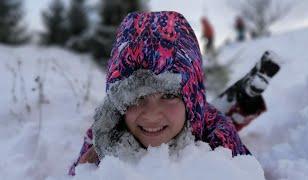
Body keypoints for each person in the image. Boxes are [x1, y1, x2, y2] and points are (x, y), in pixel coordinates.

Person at [68, 11, 280, 176]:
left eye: (168, 95)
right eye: (137, 97)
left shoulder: (219, 136)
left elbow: (249, 172)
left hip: (204, 120)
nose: (151, 115)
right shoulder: (105, 134)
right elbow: (75, 174)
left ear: (190, 96)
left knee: (220, 116)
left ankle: (243, 97)